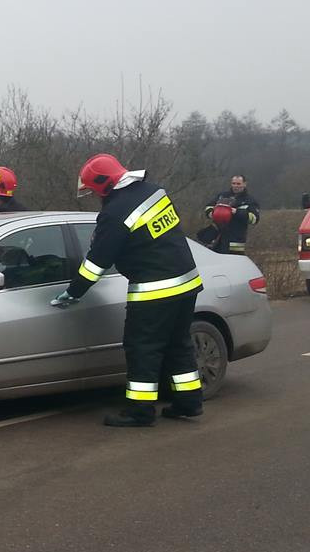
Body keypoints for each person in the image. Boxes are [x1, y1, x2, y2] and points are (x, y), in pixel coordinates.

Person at [51, 153, 204, 427]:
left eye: (94, 191)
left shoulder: (115, 213)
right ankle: (189, 402)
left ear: (104, 185)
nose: (95, 196)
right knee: (178, 343)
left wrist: (74, 292)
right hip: (187, 283)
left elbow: (97, 262)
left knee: (142, 348)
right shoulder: (154, 191)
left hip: (154, 291)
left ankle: (140, 412)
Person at [201, 175, 260, 254]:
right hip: (215, 239)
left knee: (234, 261)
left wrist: (237, 212)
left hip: (235, 242)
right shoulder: (222, 196)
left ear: (245, 184)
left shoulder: (250, 200)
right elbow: (208, 207)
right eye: (233, 183)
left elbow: (254, 219)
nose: (235, 186)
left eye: (238, 184)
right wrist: (212, 213)